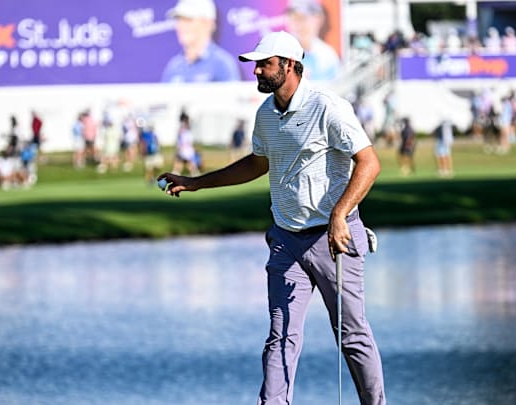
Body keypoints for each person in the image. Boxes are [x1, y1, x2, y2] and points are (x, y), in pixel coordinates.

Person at [157, 31, 385, 405]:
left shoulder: (329, 106)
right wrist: (197, 183)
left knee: (351, 334)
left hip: (333, 238)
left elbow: (369, 162)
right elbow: (258, 163)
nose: (257, 71)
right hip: (286, 240)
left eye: (265, 64)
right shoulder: (266, 113)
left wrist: (340, 214)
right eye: (256, 65)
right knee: (281, 336)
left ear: (291, 66)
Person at [162, 0, 241, 83]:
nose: (181, 26)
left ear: (207, 23)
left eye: (188, 20)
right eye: (179, 20)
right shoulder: (173, 67)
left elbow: (233, 95)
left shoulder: (223, 64)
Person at [285, 0, 341, 82]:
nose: (298, 25)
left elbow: (338, 91)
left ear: (318, 19)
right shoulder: (279, 54)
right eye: (294, 19)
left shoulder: (328, 56)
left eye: (303, 18)